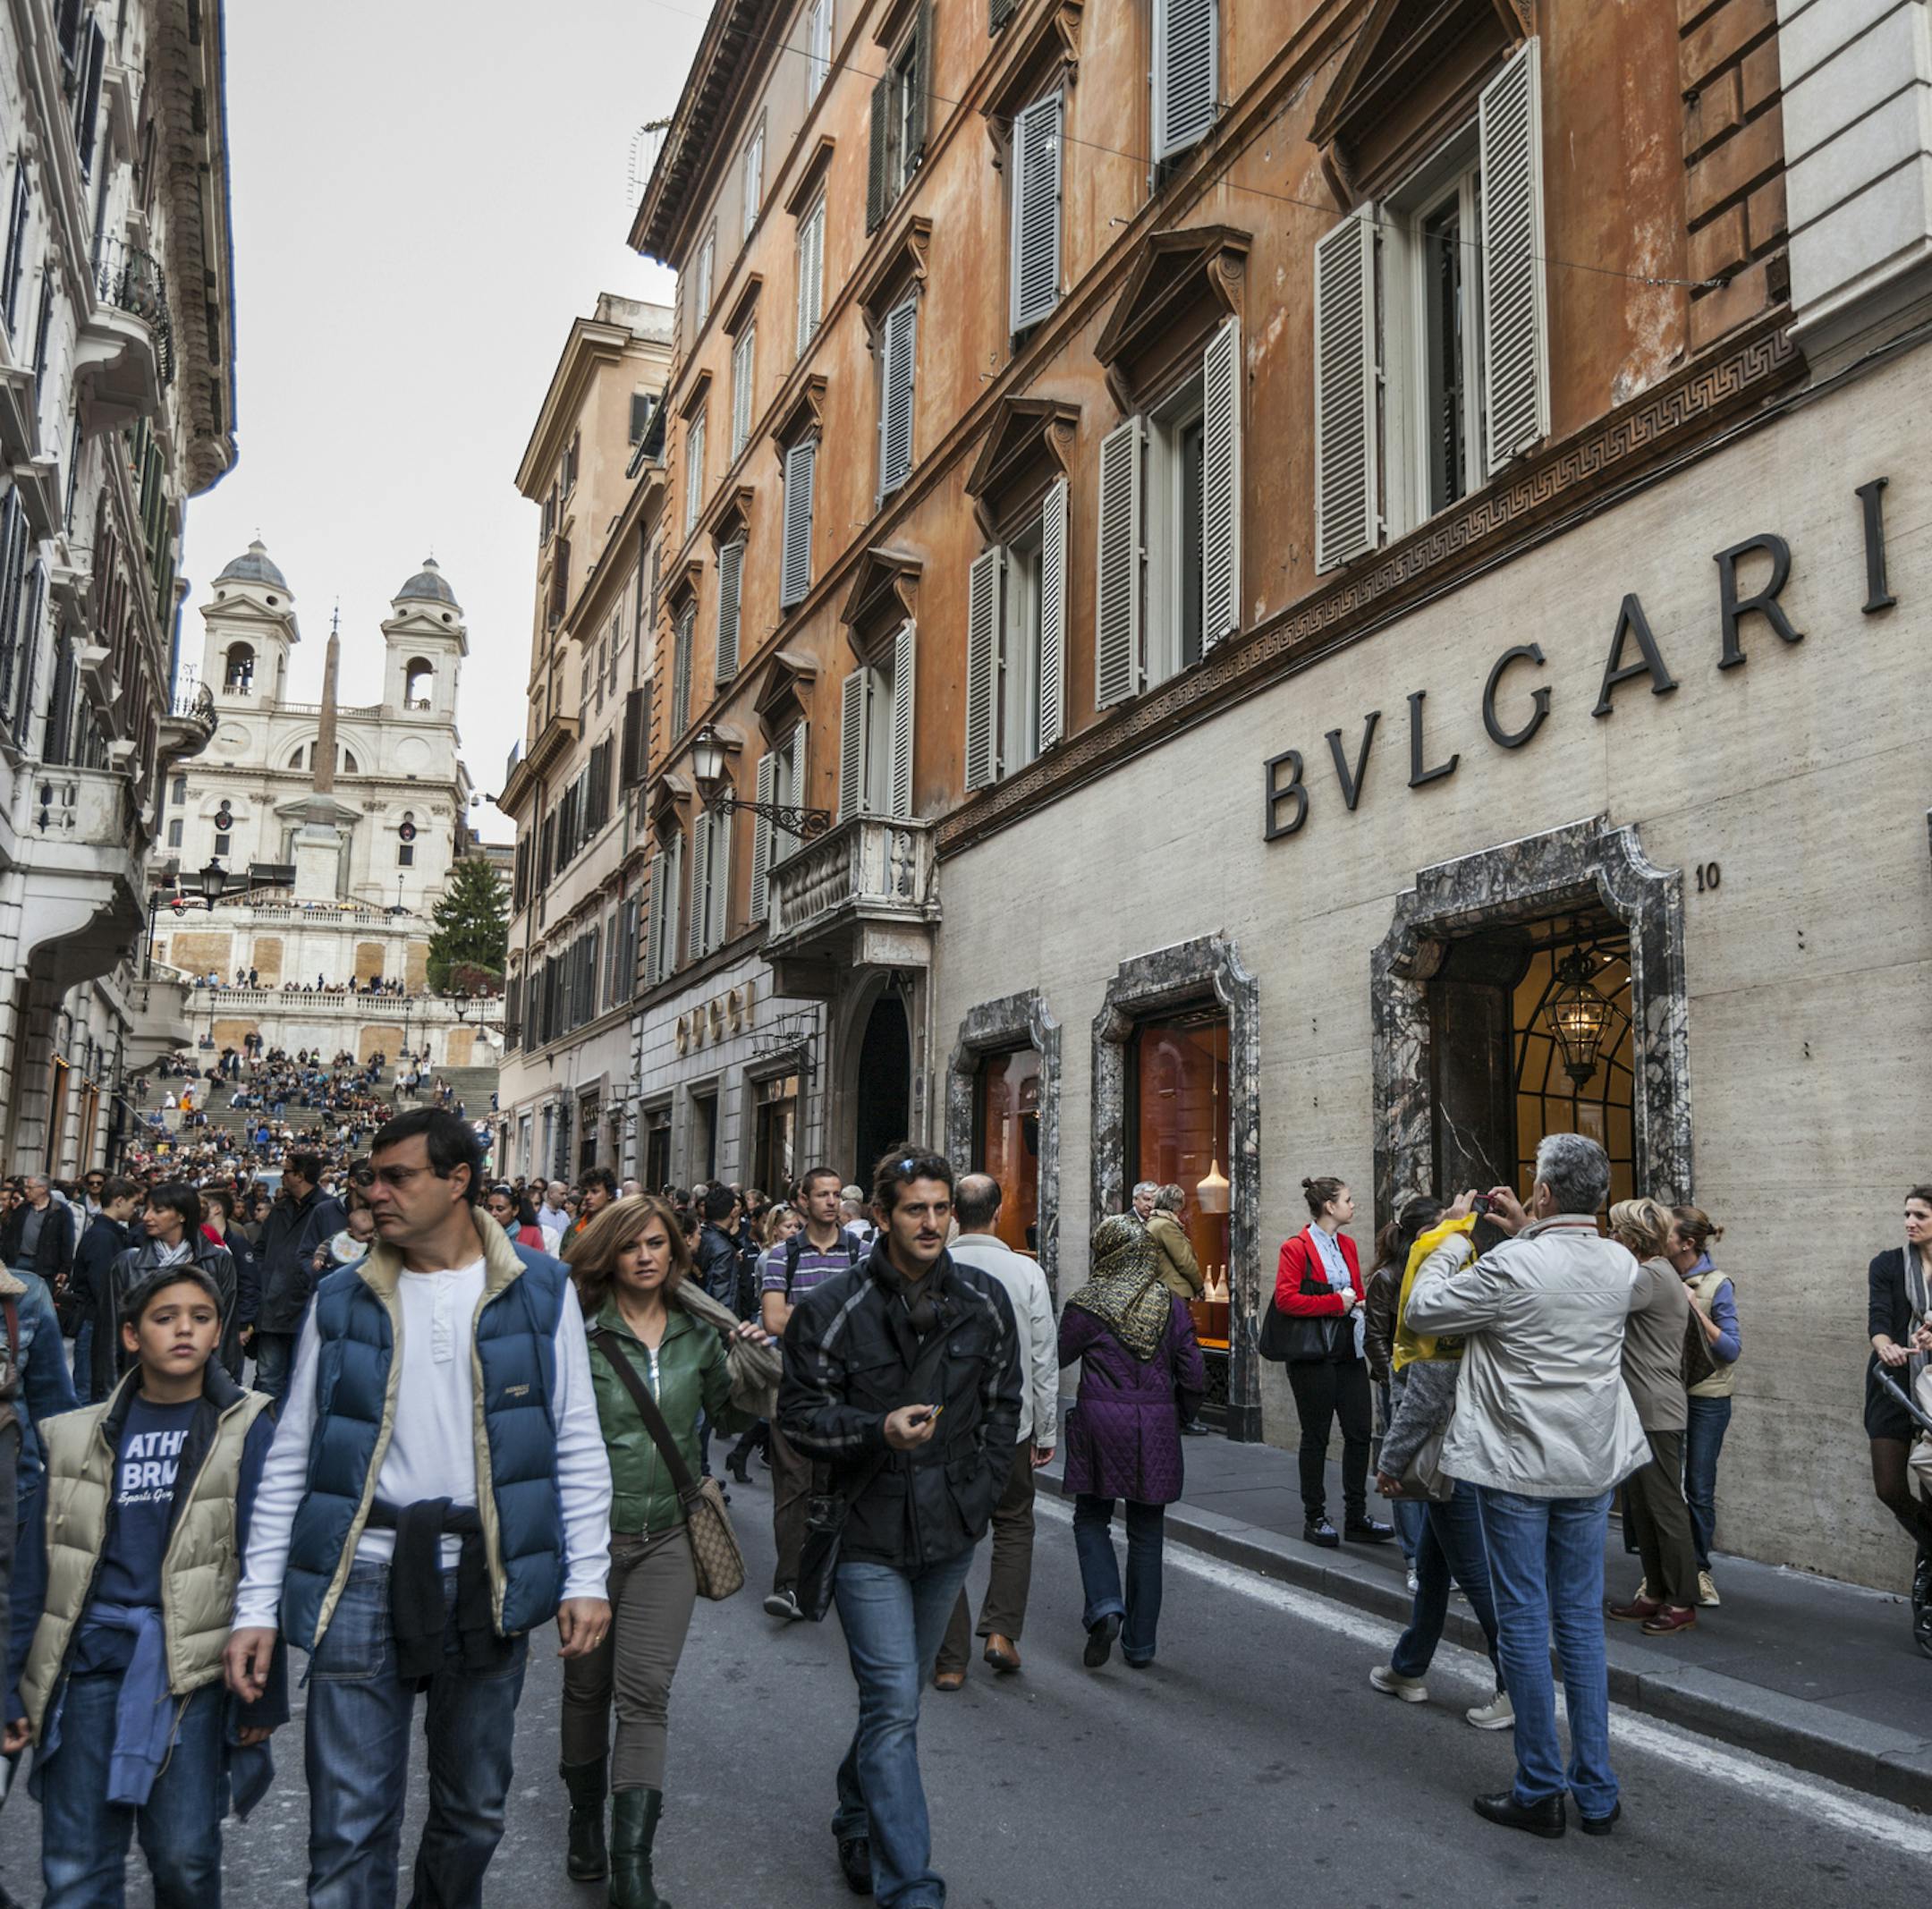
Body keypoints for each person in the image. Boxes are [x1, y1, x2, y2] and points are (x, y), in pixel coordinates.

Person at [222, 1108, 614, 1909]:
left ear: (458, 1181)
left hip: (486, 1575)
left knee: (472, 1815)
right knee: (347, 1829)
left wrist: (589, 1578)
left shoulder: (543, 1290)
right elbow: (293, 1451)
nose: (375, 1193)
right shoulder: (341, 1295)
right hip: (362, 1576)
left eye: (397, 1177)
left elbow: (575, 1438)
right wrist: (256, 1603)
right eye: (372, 1177)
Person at [779, 1146, 1021, 1907]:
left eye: (942, 1208)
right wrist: (875, 1429)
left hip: (950, 1531)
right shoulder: (832, 1310)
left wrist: (978, 1495)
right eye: (915, 1209)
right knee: (891, 1705)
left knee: (899, 1699)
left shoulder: (983, 1300)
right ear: (880, 1216)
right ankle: (910, 1887)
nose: (931, 1223)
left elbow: (1003, 1401)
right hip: (867, 1534)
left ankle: (856, 1808)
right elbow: (799, 1417)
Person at [9, 1265, 285, 1905]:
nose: (183, 1329)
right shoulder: (74, 1436)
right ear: (132, 1336)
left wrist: (261, 1699)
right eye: (165, 1319)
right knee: (76, 1868)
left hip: (189, 1677)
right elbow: (35, 1571)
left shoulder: (246, 1429)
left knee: (185, 1858)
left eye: (200, 1317)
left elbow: (262, 1561)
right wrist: (9, 1687)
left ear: (219, 1333)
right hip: (86, 1672)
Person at [1405, 1135, 1648, 1838]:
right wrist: (1530, 1231)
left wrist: (1453, 1236)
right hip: (1591, 1460)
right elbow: (1566, 1277)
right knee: (1579, 1622)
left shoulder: (1511, 1265)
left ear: (1542, 1193)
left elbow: (1426, 1309)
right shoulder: (1621, 1263)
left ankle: (1540, 1787)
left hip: (1517, 1463)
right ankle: (1597, 1792)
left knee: (1522, 1620)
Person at [558, 1195, 759, 1905]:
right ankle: (585, 1818)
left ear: (676, 1253)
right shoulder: (577, 1336)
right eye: (632, 1245)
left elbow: (732, 1416)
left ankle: (632, 1874)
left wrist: (756, 1361)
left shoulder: (697, 1335)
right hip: (589, 1541)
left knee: (645, 1696)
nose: (646, 1256)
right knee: (587, 1689)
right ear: (608, 1255)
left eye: (658, 1244)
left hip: (668, 1536)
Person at [1370, 1200, 1512, 1730]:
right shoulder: (1469, 1280)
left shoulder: (1440, 1298)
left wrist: (1390, 1460)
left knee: (1477, 1577)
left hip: (1451, 1457)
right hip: (1462, 1449)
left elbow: (1427, 1392)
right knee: (1433, 1570)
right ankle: (1407, 1668)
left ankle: (1515, 1685)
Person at [1060, 1213, 1204, 1672]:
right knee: (1147, 1534)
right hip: (1156, 1420)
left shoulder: (1087, 1303)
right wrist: (1181, 1415)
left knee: (1090, 1518)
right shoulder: (1171, 1304)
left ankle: (1104, 1607)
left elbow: (1054, 1356)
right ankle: (1140, 1646)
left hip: (1101, 1418)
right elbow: (1195, 1373)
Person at [935, 1174, 1058, 1686]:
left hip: (945, 1426)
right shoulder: (1024, 1271)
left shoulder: (937, 1267)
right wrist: (1046, 1429)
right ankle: (1001, 1632)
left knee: (943, 1532)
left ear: (953, 1213)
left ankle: (950, 1659)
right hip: (1012, 1423)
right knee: (1013, 1523)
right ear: (1000, 1210)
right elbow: (1042, 1355)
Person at [754, 1167, 861, 1618]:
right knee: (793, 1487)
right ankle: (790, 1582)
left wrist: (806, 1312)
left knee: (833, 1486)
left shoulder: (861, 1251)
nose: (832, 1202)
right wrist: (837, 1314)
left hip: (843, 1390)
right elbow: (774, 1321)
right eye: (823, 1194)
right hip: (793, 1386)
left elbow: (872, 1312)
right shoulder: (781, 1256)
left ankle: (826, 1576)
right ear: (803, 1200)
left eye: (837, 1194)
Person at [1274, 1176, 1392, 1548]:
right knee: (1316, 1437)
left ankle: (1356, 1516)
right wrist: (1334, 1303)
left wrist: (1356, 1300)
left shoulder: (1349, 1245)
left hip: (1349, 1352)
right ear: (1329, 1206)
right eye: (1348, 1200)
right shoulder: (1296, 1247)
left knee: (1358, 1434)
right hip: (1313, 1356)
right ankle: (1315, 1517)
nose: (1352, 1206)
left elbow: (1355, 1290)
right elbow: (1285, 1300)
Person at [1605, 1197, 1699, 1637]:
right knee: (1642, 1510)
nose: (1610, 1237)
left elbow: (1597, 1303)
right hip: (1643, 1407)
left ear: (1632, 1237)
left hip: (1656, 1408)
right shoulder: (1658, 1274)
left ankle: (1681, 1600)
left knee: (1664, 1508)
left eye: (1615, 1231)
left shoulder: (1648, 1277)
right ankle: (1656, 1593)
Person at [1865, 1183, 1932, 1643]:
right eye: (1907, 1214)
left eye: (1920, 1216)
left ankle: (1925, 1605)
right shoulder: (1888, 1264)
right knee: (1890, 1486)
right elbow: (1879, 1319)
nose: (1909, 1222)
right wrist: (1886, 1346)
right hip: (1893, 1387)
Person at [98, 1184, 239, 1403]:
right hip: (140, 1385)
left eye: (158, 1210)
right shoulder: (127, 1264)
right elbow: (109, 1336)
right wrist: (110, 1400)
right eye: (146, 1209)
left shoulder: (218, 1261)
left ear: (182, 1215)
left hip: (199, 1387)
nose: (147, 1217)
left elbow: (226, 1331)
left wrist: (222, 1394)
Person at [1667, 1204, 1739, 1608]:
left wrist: (1694, 1306)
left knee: (1698, 1486)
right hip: (1665, 1394)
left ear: (1687, 1243)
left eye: (1667, 1231)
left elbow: (1730, 1349)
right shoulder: (1657, 1275)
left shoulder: (1717, 1283)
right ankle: (1661, 1572)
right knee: (1662, 1487)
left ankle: (1698, 1571)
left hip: (1707, 1399)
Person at [1363, 1209, 1428, 1585]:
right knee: (1402, 1468)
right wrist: (1394, 1378)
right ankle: (1416, 1557)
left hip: (1434, 1383)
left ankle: (1435, 1555)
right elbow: (1374, 1337)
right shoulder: (1387, 1278)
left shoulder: (1434, 1270)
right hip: (1401, 1383)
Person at [250, 1154, 345, 1405]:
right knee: (267, 1381)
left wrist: (309, 1280)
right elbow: (260, 1248)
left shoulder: (328, 1209)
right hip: (273, 1306)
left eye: (286, 1171)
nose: (282, 1176)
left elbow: (335, 1254)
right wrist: (265, 1276)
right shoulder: (279, 1209)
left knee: (304, 1382)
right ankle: (264, 1439)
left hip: (307, 1308)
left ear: (300, 1176)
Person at [71, 1177, 140, 1404]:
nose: (134, 1210)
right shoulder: (103, 1237)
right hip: (94, 1320)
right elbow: (103, 1287)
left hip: (98, 1320)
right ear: (119, 1201)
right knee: (88, 1389)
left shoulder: (110, 1233)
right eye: (132, 1203)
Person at [200, 1186, 259, 1383]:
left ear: (216, 1209)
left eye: (203, 1205)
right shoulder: (199, 1240)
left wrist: (244, 1324)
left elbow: (248, 1285)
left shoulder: (238, 1243)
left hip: (230, 1324)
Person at [1146, 1184, 1204, 1301]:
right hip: (1175, 1291)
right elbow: (1185, 1262)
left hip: (1162, 1289)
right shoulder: (1166, 1226)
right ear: (1177, 1205)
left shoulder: (1153, 1223)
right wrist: (1200, 1287)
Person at [487, 1183, 547, 1250]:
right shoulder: (481, 1232)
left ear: (515, 1210)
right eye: (490, 1208)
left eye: (500, 1209)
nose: (493, 1213)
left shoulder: (532, 1233)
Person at [538, 1180, 572, 1252]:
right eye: (562, 1194)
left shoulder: (564, 1216)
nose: (565, 1198)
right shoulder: (539, 1213)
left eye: (566, 1194)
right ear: (551, 1194)